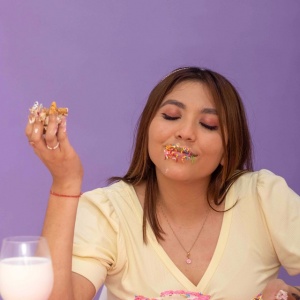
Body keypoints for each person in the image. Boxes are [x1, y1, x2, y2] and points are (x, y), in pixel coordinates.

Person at [25, 67, 300, 300]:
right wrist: (65, 182)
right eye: (170, 116)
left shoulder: (263, 197)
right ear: (148, 129)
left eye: (208, 124)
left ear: (228, 151)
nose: (185, 132)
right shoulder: (108, 211)